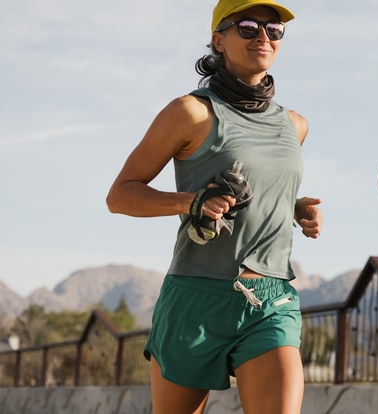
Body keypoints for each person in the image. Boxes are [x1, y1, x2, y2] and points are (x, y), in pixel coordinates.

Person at [106, 0, 321, 412]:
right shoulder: (190, 112)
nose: (263, 36)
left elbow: (263, 187)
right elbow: (121, 195)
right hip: (195, 298)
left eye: (274, 30)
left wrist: (294, 208)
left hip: (270, 299)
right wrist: (191, 202)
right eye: (247, 26)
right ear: (217, 40)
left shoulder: (294, 125)